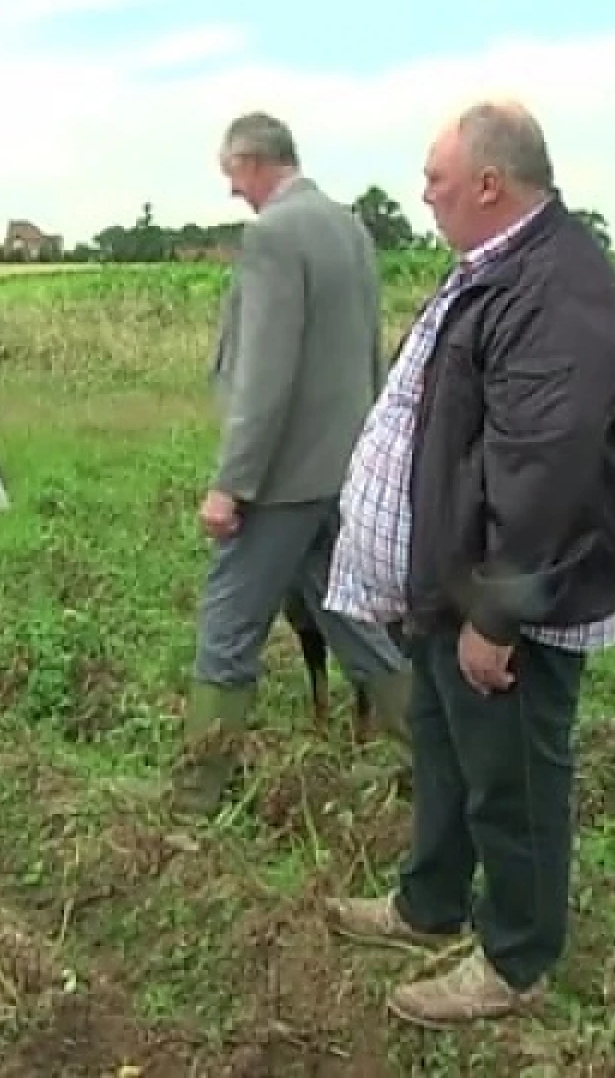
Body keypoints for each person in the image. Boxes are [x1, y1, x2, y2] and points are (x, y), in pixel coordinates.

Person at [320, 100, 615, 1028]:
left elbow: (546, 472)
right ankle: (428, 904)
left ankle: (515, 960)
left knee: (514, 780)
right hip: (451, 580)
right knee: (448, 749)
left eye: (435, 178)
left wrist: (497, 615)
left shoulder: (559, 290)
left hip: (506, 597)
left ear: (490, 184)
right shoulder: (495, 270)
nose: (422, 193)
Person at [168, 112, 412, 817]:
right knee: (351, 622)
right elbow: (368, 354)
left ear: (251, 161)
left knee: (226, 626)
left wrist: (232, 483)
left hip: (281, 480)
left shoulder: (274, 234)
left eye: (231, 176)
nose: (232, 192)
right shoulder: (348, 227)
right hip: (341, 469)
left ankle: (195, 799)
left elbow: (265, 375)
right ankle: (438, 756)